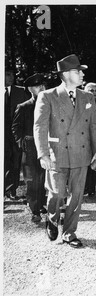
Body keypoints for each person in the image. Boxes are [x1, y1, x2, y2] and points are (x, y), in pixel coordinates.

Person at [34, 54, 96, 248]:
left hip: (81, 154)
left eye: (81, 71)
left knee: (76, 196)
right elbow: (40, 127)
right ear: (65, 74)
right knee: (56, 193)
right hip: (57, 153)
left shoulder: (88, 97)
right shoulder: (47, 96)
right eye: (77, 71)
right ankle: (52, 217)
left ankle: (69, 232)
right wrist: (43, 154)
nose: (82, 74)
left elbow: (94, 127)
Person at [12, 73, 47, 223]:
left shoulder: (49, 104)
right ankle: (35, 211)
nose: (41, 88)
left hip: (46, 146)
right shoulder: (24, 107)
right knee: (32, 179)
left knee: (44, 177)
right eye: (37, 86)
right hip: (30, 146)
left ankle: (41, 203)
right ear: (30, 89)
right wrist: (21, 143)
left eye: (42, 85)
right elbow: (15, 127)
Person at [4, 67, 31, 201]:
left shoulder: (21, 92)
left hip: (16, 133)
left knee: (15, 161)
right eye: (7, 74)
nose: (11, 77)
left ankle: (11, 189)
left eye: (12, 74)